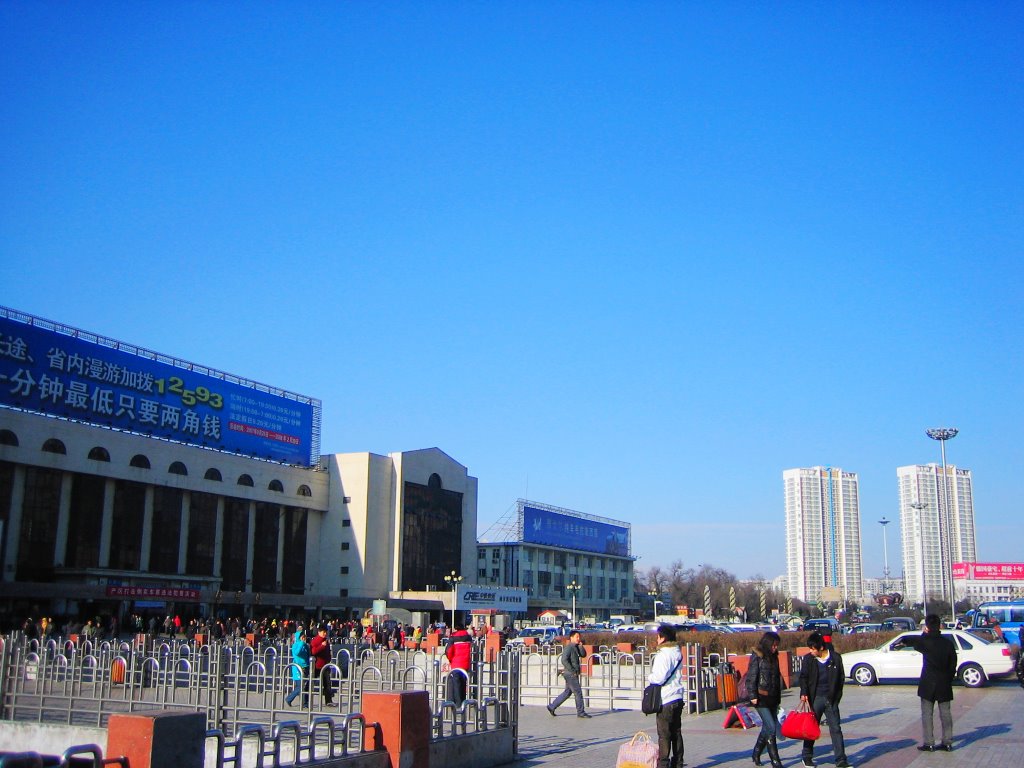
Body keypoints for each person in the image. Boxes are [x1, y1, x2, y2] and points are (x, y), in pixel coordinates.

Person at [896, 614, 957, 752]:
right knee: (946, 714)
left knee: (927, 714)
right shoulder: (947, 643)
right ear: (940, 625)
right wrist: (949, 678)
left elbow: (911, 641)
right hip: (944, 683)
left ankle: (929, 742)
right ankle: (947, 742)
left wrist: (924, 634)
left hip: (928, 683)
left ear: (927, 627)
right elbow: (953, 664)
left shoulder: (925, 642)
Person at [798, 631, 850, 768]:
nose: (811, 651)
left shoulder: (836, 658)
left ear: (821, 647)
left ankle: (840, 760)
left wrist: (837, 697)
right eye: (809, 648)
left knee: (836, 729)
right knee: (811, 729)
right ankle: (807, 757)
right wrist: (804, 693)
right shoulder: (809, 660)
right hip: (815, 698)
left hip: (831, 699)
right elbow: (803, 677)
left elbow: (841, 679)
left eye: (813, 648)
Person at [648, 624, 685, 768]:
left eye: (658, 636)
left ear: (663, 638)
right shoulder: (677, 652)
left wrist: (650, 677)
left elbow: (659, 678)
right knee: (676, 733)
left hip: (666, 698)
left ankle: (663, 764)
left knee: (664, 735)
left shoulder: (663, 654)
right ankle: (678, 762)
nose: (656, 639)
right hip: (678, 696)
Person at [747, 631, 783, 768]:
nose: (775, 648)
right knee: (772, 728)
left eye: (777, 646)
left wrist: (778, 698)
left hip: (772, 697)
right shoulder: (757, 656)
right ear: (768, 644)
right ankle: (775, 761)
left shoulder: (775, 657)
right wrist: (753, 696)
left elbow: (776, 678)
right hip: (761, 697)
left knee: (767, 727)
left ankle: (756, 752)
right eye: (773, 645)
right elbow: (751, 677)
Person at [546, 630, 591, 718]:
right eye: (576, 637)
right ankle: (581, 712)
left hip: (570, 673)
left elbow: (583, 655)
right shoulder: (569, 647)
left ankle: (552, 706)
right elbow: (564, 660)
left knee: (567, 692)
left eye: (579, 637)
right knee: (578, 692)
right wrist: (572, 670)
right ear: (571, 637)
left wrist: (581, 646)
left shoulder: (576, 646)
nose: (578, 639)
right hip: (570, 674)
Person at [445, 624, 473, 705]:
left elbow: (449, 650)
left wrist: (450, 659)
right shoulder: (468, 636)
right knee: (463, 682)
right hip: (466, 663)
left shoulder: (453, 637)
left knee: (456, 682)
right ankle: (464, 701)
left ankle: (458, 703)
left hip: (456, 663)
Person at [310, 625, 336, 706]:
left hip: (325, 665)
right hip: (317, 665)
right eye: (323, 632)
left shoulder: (325, 640)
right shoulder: (315, 640)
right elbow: (313, 652)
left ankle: (328, 701)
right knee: (310, 682)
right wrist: (322, 646)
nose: (325, 633)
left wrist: (329, 658)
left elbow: (327, 651)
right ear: (319, 632)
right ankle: (305, 698)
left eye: (326, 632)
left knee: (327, 684)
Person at [286, 628, 311, 707]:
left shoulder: (305, 645)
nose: (304, 638)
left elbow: (308, 655)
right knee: (300, 686)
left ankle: (305, 703)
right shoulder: (296, 645)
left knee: (305, 687)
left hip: (305, 667)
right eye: (302, 637)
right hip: (298, 668)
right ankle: (289, 699)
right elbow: (297, 653)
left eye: (304, 636)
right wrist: (301, 643)